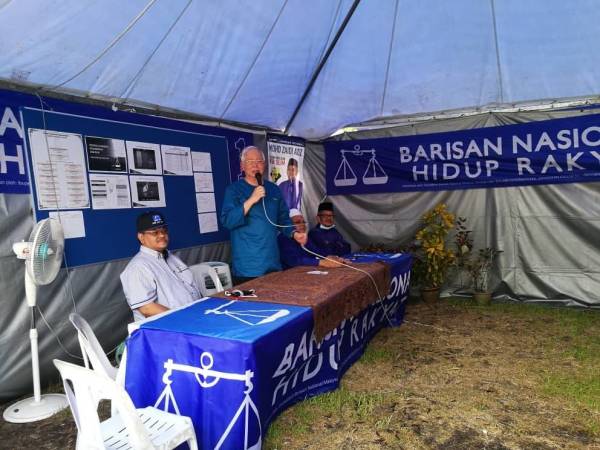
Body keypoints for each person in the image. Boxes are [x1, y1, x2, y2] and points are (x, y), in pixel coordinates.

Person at [220, 146, 307, 284]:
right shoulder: (233, 190)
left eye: (259, 161)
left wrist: (295, 234)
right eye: (250, 161)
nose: (255, 165)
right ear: (242, 166)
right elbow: (228, 221)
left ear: (264, 165)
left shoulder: (273, 189)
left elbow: (283, 219)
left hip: (272, 264)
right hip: (247, 267)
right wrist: (251, 200)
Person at [120, 211, 200, 320]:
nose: (162, 235)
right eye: (155, 232)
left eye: (164, 230)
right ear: (141, 237)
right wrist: (184, 319)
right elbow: (147, 309)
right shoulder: (138, 267)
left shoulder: (172, 258)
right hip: (169, 328)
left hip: (195, 317)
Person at [278, 212, 350, 269]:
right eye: (297, 222)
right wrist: (321, 262)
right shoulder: (284, 238)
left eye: (303, 222)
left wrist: (332, 258)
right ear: (287, 225)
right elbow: (294, 261)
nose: (302, 225)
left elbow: (316, 251)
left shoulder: (304, 237)